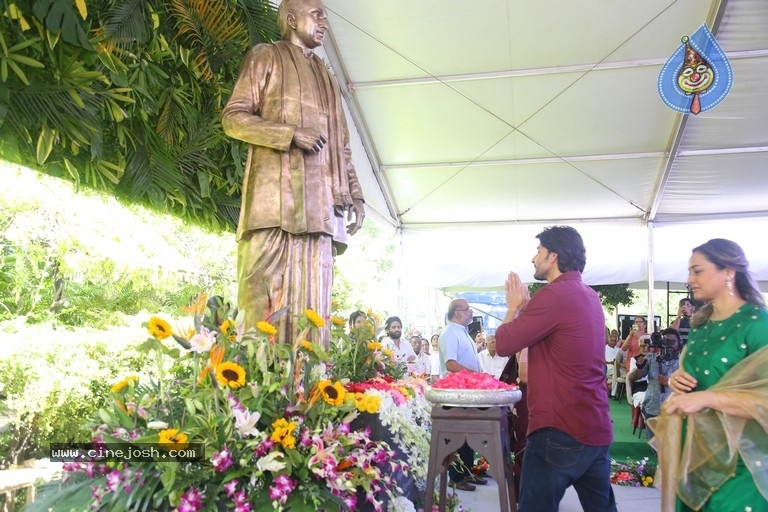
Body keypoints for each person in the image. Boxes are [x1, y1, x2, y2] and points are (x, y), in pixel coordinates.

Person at [221, 0, 365, 345]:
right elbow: (233, 118)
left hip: (321, 212)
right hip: (273, 207)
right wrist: (288, 134)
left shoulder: (328, 78)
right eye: (317, 14)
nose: (324, 23)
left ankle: (310, 389)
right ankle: (256, 389)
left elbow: (341, 146)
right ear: (290, 18)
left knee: (314, 308)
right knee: (262, 300)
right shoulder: (265, 56)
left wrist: (356, 194)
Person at [495, 226, 616, 512]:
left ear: (553, 256)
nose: (533, 258)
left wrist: (512, 308)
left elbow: (502, 344)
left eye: (538, 251)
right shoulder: (589, 296)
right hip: (594, 426)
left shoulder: (554, 295)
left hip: (558, 429)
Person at [649, 239, 768, 512]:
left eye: (697, 271)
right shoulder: (701, 325)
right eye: (689, 271)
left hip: (740, 459)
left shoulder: (758, 323)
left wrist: (710, 398)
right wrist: (680, 377)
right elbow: (708, 372)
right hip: (694, 450)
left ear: (728, 271)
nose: (689, 279)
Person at [437, 299, 486, 491]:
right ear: (457, 312)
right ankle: (456, 477)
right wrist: (476, 377)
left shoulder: (462, 332)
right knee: (457, 436)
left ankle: (467, 473)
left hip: (466, 392)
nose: (471, 312)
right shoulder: (449, 333)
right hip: (454, 393)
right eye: (468, 310)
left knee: (467, 435)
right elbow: (451, 364)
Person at [632, 328, 682, 433]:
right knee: (655, 447)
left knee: (671, 447)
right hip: (651, 408)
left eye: (672, 341)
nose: (668, 345)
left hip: (675, 411)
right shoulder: (651, 358)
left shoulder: (684, 361)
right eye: (665, 341)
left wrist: (669, 382)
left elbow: (690, 386)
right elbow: (634, 377)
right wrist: (640, 367)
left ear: (679, 343)